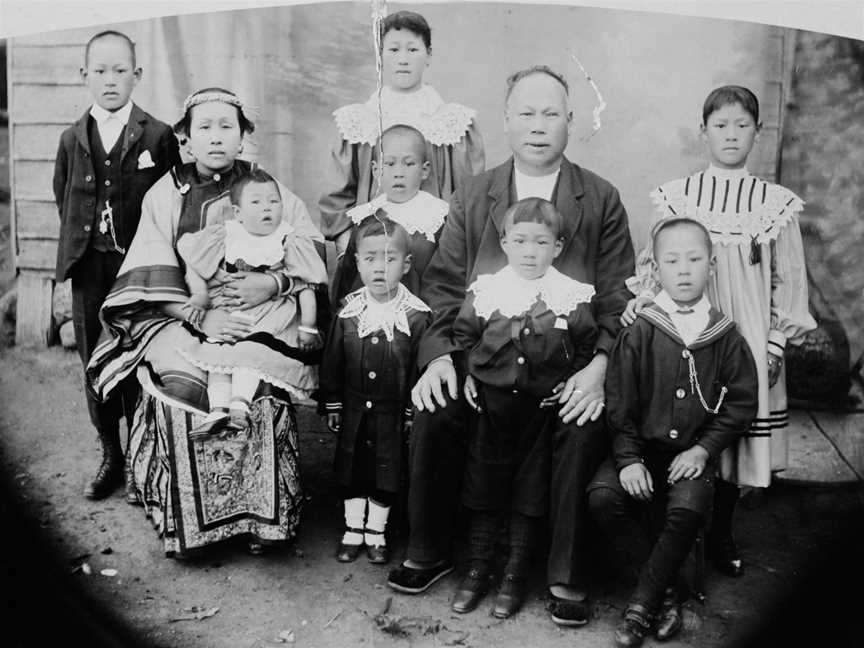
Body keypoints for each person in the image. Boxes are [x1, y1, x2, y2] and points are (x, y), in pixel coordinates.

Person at [388, 65, 635, 629]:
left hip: (568, 366)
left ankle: (563, 571)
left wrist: (598, 368)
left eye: (552, 114)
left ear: (572, 121)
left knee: (581, 420)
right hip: (484, 363)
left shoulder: (598, 198)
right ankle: (430, 548)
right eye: (526, 113)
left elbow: (621, 298)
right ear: (506, 121)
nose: (539, 126)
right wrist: (442, 360)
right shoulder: (475, 194)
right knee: (435, 403)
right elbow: (444, 290)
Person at [87, 88, 326, 557]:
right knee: (183, 387)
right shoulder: (166, 194)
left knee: (258, 384)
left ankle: (265, 520)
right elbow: (150, 272)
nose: (216, 137)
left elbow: (311, 249)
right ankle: (191, 528)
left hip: (262, 314)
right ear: (186, 140)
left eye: (227, 127)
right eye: (205, 127)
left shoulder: (266, 188)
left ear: (243, 138)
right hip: (182, 316)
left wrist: (273, 284)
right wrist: (203, 316)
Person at [623, 85, 817, 576]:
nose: (731, 135)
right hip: (685, 334)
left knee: (732, 431)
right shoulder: (678, 196)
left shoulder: (774, 204)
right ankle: (677, 528)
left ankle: (721, 531)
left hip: (746, 334)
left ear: (758, 132)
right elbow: (653, 267)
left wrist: (774, 342)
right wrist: (643, 305)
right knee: (682, 421)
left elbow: (787, 279)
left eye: (742, 125)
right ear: (703, 131)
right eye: (720, 125)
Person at [589, 217, 758, 647]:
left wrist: (704, 450)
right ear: (655, 269)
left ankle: (640, 605)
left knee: (687, 508)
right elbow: (620, 404)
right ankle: (664, 594)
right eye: (672, 260)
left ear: (712, 266)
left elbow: (740, 405)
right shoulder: (641, 330)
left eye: (695, 259)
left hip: (689, 455)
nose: (684, 270)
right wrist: (626, 460)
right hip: (641, 451)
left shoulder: (726, 336)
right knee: (603, 497)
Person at [450, 198, 597, 619]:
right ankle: (478, 568)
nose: (530, 251)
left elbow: (586, 347)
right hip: (490, 411)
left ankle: (515, 574)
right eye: (520, 241)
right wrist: (468, 375)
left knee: (530, 492)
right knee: (484, 486)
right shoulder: (489, 289)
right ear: (505, 242)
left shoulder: (570, 295)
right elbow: (464, 337)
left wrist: (572, 380)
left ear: (558, 246)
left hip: (539, 414)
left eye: (541, 242)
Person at [53, 30, 180, 500]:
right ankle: (112, 453)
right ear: (84, 76)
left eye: (120, 71)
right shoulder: (72, 138)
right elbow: (63, 196)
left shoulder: (157, 135)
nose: (110, 81)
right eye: (100, 71)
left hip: (139, 269)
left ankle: (146, 456)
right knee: (95, 363)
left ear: (137, 76)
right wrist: (82, 245)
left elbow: (171, 200)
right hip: (91, 268)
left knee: (139, 354)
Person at [318, 10, 484, 260]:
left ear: (428, 55)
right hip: (372, 250)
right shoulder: (358, 122)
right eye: (393, 50)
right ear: (380, 55)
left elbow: (470, 198)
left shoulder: (452, 123)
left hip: (435, 252)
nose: (403, 59)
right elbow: (338, 198)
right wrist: (347, 245)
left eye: (413, 50)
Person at [176, 168, 327, 434]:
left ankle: (240, 406)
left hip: (272, 314)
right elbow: (195, 262)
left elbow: (306, 285)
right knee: (219, 354)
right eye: (256, 202)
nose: (266, 208)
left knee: (250, 354)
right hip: (232, 310)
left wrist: (308, 326)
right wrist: (199, 295)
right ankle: (217, 410)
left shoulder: (288, 238)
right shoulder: (226, 234)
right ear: (238, 212)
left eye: (273, 201)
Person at [320, 215, 431, 565]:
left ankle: (377, 533)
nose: (379, 268)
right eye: (370, 259)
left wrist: (412, 414)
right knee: (352, 469)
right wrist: (334, 404)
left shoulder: (415, 316)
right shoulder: (350, 312)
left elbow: (417, 368)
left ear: (406, 263)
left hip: (392, 413)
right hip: (354, 410)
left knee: (386, 471)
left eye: (390, 258)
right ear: (356, 262)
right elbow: (333, 361)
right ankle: (353, 529)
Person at [329, 124, 450, 305]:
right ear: (376, 170)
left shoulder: (438, 217)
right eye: (390, 164)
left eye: (409, 164)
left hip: (423, 315)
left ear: (424, 171)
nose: (399, 173)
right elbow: (348, 279)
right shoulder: (367, 217)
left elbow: (446, 278)